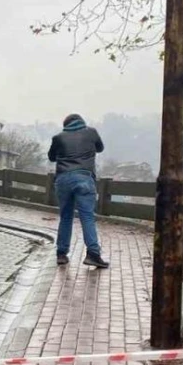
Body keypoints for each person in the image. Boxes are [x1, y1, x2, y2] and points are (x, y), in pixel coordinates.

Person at [48, 114, 110, 269]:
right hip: (84, 178)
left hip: (63, 179)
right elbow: (100, 148)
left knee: (66, 216)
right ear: (82, 122)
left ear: (65, 125)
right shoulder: (91, 132)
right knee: (87, 216)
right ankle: (93, 254)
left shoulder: (58, 138)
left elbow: (51, 157)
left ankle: (61, 254)